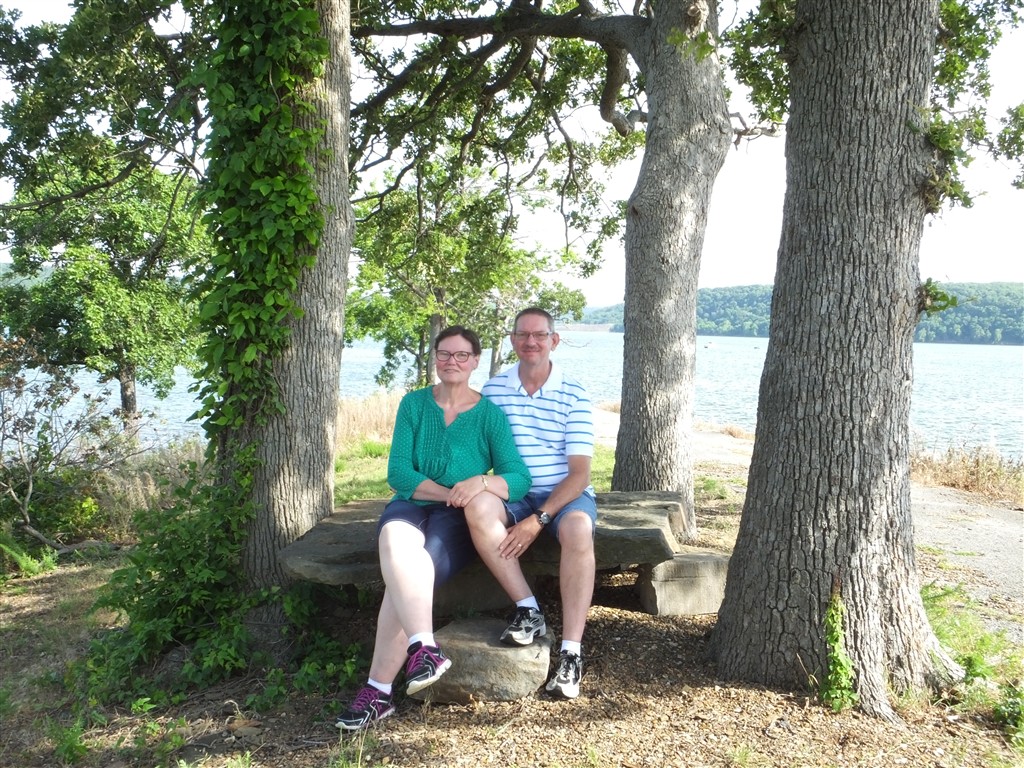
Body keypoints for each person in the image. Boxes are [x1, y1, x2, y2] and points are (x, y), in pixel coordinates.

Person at [336, 326, 532, 730]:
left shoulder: (489, 416)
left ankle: (378, 691)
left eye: (461, 355)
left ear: (475, 361)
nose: (451, 362)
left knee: (408, 574)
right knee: (394, 539)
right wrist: (448, 493)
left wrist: (480, 484)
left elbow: (518, 477)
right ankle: (424, 647)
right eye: (444, 354)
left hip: (455, 519)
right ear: (435, 358)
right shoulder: (414, 405)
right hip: (412, 503)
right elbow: (398, 472)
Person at [470, 307, 597, 699]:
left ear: (553, 340)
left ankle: (571, 654)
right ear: (512, 340)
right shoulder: (493, 390)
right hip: (514, 490)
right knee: (477, 507)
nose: (531, 342)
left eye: (540, 335)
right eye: (523, 334)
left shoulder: (574, 393)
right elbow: (479, 452)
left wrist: (537, 520)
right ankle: (528, 610)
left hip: (564, 493)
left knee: (578, 530)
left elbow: (580, 474)